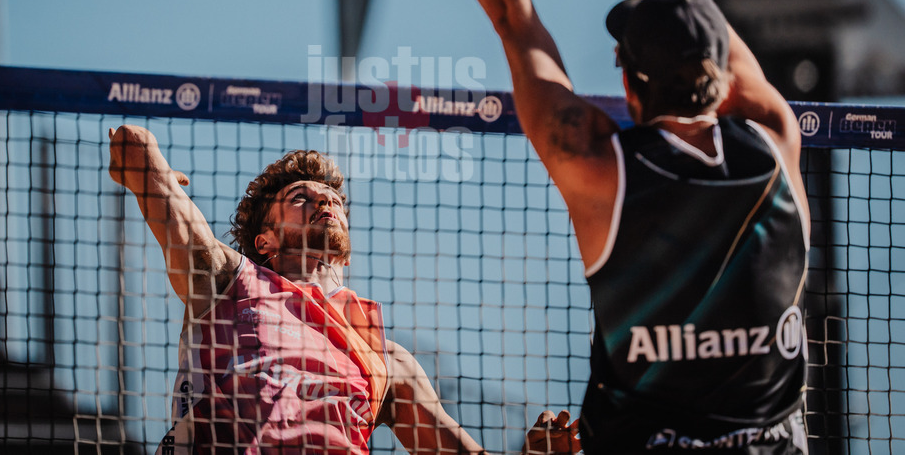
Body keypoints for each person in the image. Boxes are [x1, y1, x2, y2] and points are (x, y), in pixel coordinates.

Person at [337, 0, 810, 454]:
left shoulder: (599, 165)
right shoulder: (775, 139)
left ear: (628, 81)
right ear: (724, 69)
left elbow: (514, 15)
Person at [108, 124, 579, 454]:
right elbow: (137, 150)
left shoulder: (388, 361)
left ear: (346, 248)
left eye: (333, 199)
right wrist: (144, 166)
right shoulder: (229, 280)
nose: (324, 201)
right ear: (264, 241)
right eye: (300, 198)